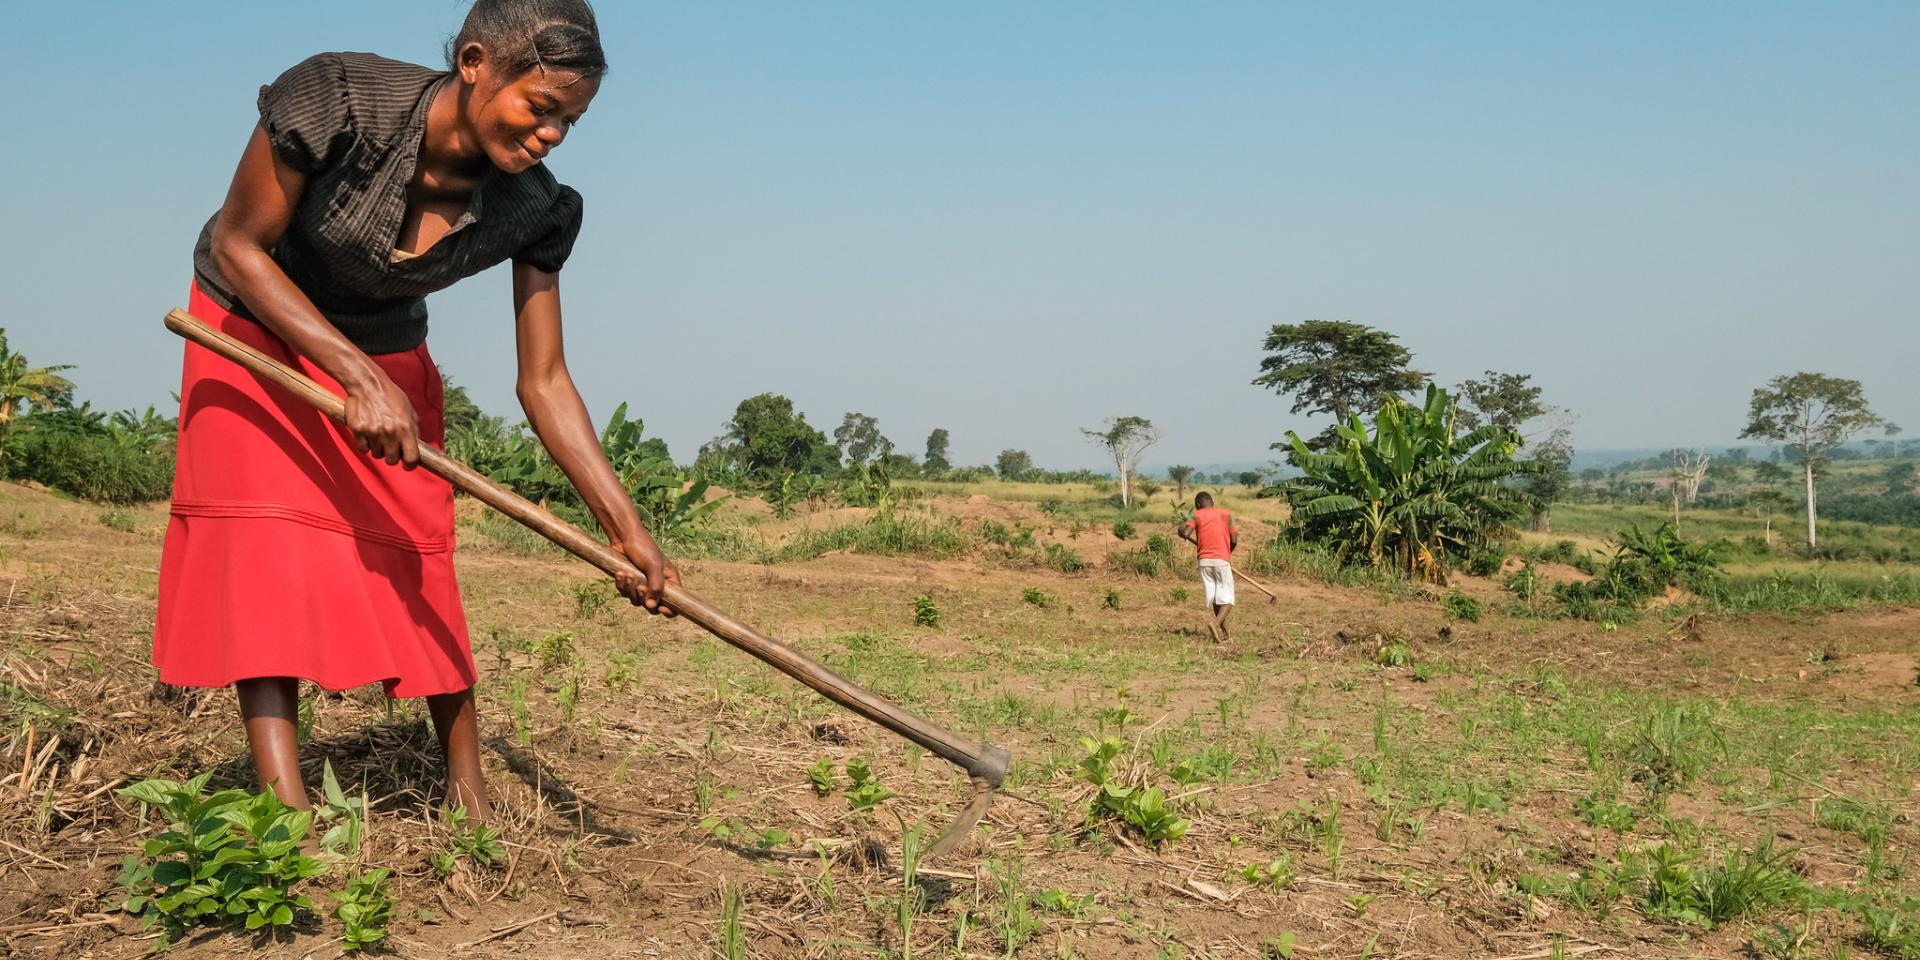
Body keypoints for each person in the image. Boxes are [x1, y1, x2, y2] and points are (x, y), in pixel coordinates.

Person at [152, 0, 679, 822]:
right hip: (252, 325)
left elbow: (543, 380)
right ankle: (284, 811)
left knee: (419, 545)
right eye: (539, 108)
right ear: (475, 62)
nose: (550, 137)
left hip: (387, 352)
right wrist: (355, 376)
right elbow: (237, 244)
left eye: (570, 122)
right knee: (260, 547)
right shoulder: (336, 100)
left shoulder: (537, 207)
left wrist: (625, 526)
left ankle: (469, 793)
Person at [1175, 492, 1239, 641]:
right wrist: (1226, 554)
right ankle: (1214, 624)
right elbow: (1234, 541)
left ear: (1197, 504)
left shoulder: (1195, 515)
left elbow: (1185, 533)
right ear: (1213, 501)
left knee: (1217, 600)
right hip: (1221, 560)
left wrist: (1180, 530)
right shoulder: (1226, 514)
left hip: (1204, 561)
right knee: (1228, 600)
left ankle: (1225, 633)